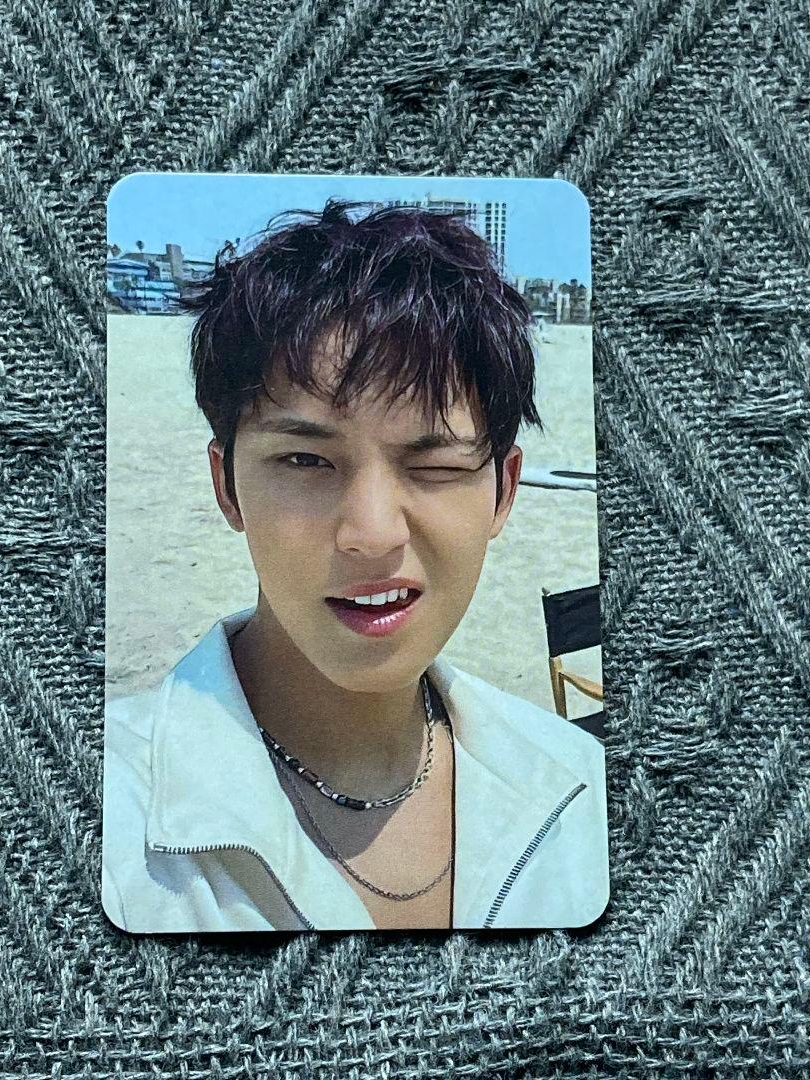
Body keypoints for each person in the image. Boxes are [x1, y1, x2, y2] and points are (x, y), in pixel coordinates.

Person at [101, 199, 609, 932]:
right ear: (227, 486)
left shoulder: (577, 784)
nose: (371, 534)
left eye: (435, 465)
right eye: (305, 461)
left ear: (503, 492)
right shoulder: (109, 806)